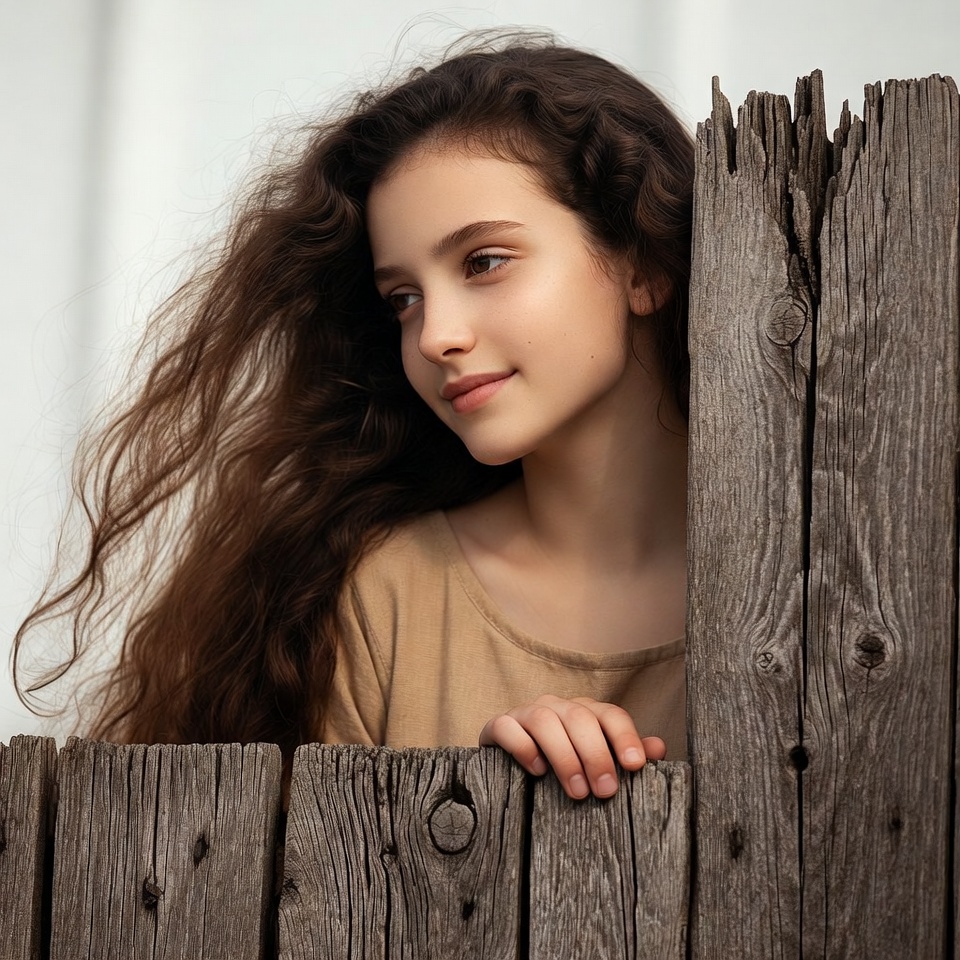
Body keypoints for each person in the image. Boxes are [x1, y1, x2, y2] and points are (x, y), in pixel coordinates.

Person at [14, 35, 693, 801]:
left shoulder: (824, 581)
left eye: (484, 262)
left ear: (644, 264)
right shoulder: (378, 597)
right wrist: (476, 808)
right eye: (402, 299)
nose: (436, 335)